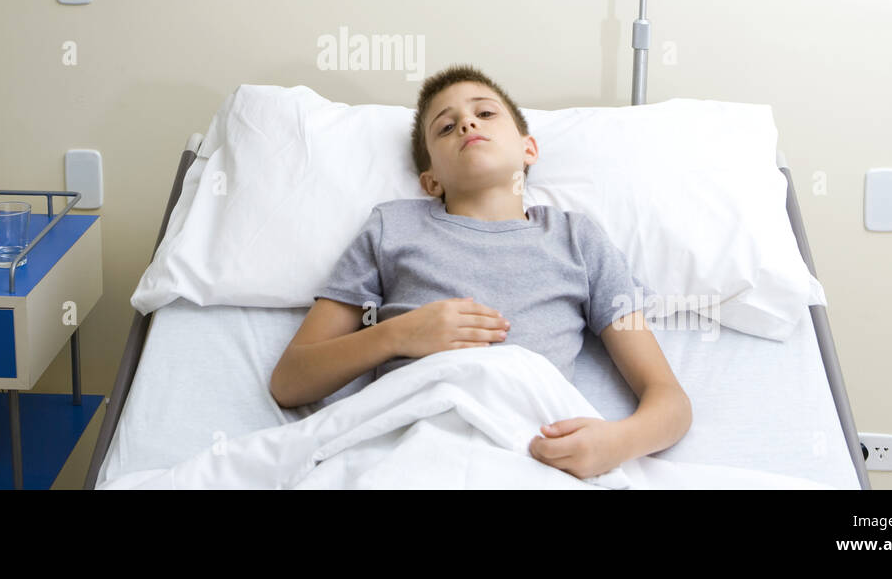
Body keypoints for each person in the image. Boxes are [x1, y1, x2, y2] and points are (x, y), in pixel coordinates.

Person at [268, 64, 691, 480]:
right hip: (414, 442)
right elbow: (290, 381)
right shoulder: (392, 228)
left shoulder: (576, 239)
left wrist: (616, 443)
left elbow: (670, 402)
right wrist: (397, 335)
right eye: (446, 128)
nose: (467, 124)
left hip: (527, 448)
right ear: (430, 181)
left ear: (529, 149)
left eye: (484, 113)